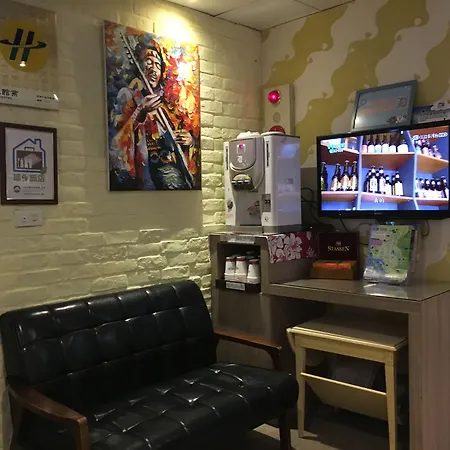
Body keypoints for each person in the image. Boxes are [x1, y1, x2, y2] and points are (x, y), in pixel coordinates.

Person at [110, 39, 195, 190]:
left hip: (171, 171)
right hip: (147, 172)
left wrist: (189, 140)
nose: (154, 69)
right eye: (149, 62)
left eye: (157, 65)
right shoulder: (128, 95)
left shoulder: (164, 106)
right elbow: (118, 140)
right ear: (139, 66)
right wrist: (140, 112)